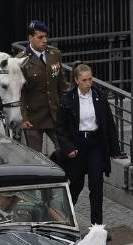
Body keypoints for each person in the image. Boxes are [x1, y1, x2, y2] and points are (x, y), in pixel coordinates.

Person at [56, 63, 120, 226]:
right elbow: (61, 127)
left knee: (96, 187)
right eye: (84, 80)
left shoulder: (99, 96)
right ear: (77, 80)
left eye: (90, 79)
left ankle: (96, 227)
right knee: (76, 185)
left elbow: (108, 123)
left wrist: (113, 149)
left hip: (95, 144)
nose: (88, 83)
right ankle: (64, 218)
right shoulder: (67, 99)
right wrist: (68, 147)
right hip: (77, 145)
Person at [17, 20, 68, 152]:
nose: (45, 40)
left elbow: (62, 85)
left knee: (65, 150)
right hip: (33, 118)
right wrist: (23, 118)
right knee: (35, 158)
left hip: (55, 114)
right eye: (40, 37)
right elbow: (18, 93)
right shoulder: (21, 60)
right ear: (30, 38)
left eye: (46, 36)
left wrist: (68, 107)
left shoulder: (54, 54)